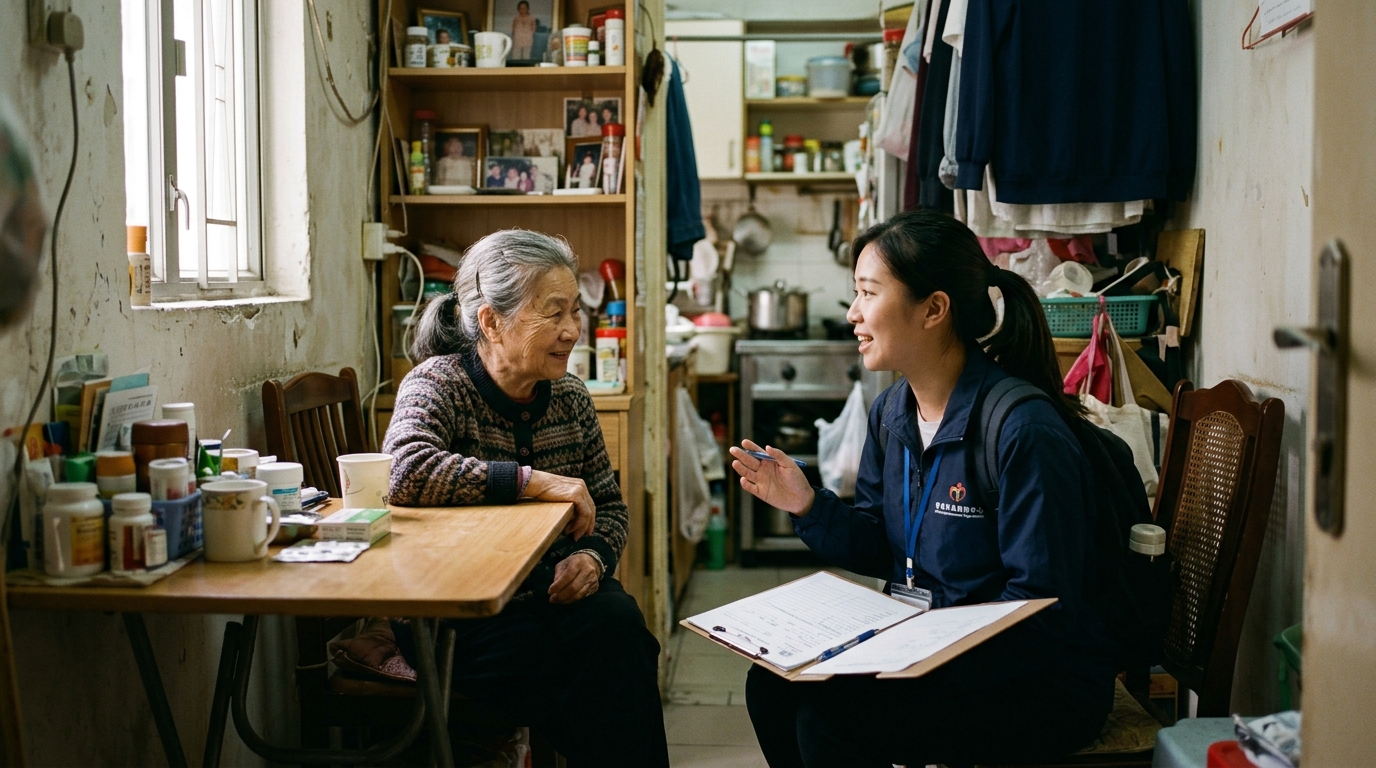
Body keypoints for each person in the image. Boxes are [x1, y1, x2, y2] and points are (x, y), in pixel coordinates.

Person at [729, 209, 1117, 767]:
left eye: (868, 293)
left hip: (1035, 680)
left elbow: (1040, 610)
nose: (853, 314)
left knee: (832, 722)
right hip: (929, 646)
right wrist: (807, 505)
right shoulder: (893, 412)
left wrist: (917, 657)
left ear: (934, 309)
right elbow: (882, 543)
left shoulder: (1021, 431)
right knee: (770, 687)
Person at [383, 230, 669, 767]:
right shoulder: (437, 385)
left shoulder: (570, 398)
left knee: (621, 629)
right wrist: (530, 480)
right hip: (459, 615)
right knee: (591, 674)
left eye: (575, 311)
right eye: (553, 313)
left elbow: (608, 506)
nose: (572, 331)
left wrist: (594, 556)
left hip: (551, 597)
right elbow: (405, 471)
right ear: (490, 321)